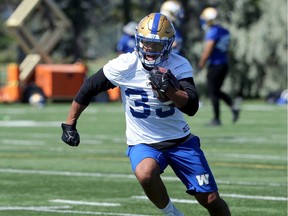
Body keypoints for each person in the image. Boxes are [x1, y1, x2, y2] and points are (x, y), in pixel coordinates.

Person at [61, 13, 231, 216]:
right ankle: (173, 214)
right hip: (143, 142)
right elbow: (88, 87)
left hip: (180, 141)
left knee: (210, 199)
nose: (149, 50)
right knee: (145, 173)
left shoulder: (178, 64)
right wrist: (70, 124)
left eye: (156, 45)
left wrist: (170, 90)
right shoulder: (124, 65)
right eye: (146, 43)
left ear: (168, 45)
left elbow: (191, 107)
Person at [198, 7, 240, 126]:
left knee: (213, 92)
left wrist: (201, 64)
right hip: (224, 64)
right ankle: (233, 106)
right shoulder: (224, 31)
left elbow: (208, 50)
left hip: (215, 65)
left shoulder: (213, 32)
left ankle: (217, 118)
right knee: (216, 90)